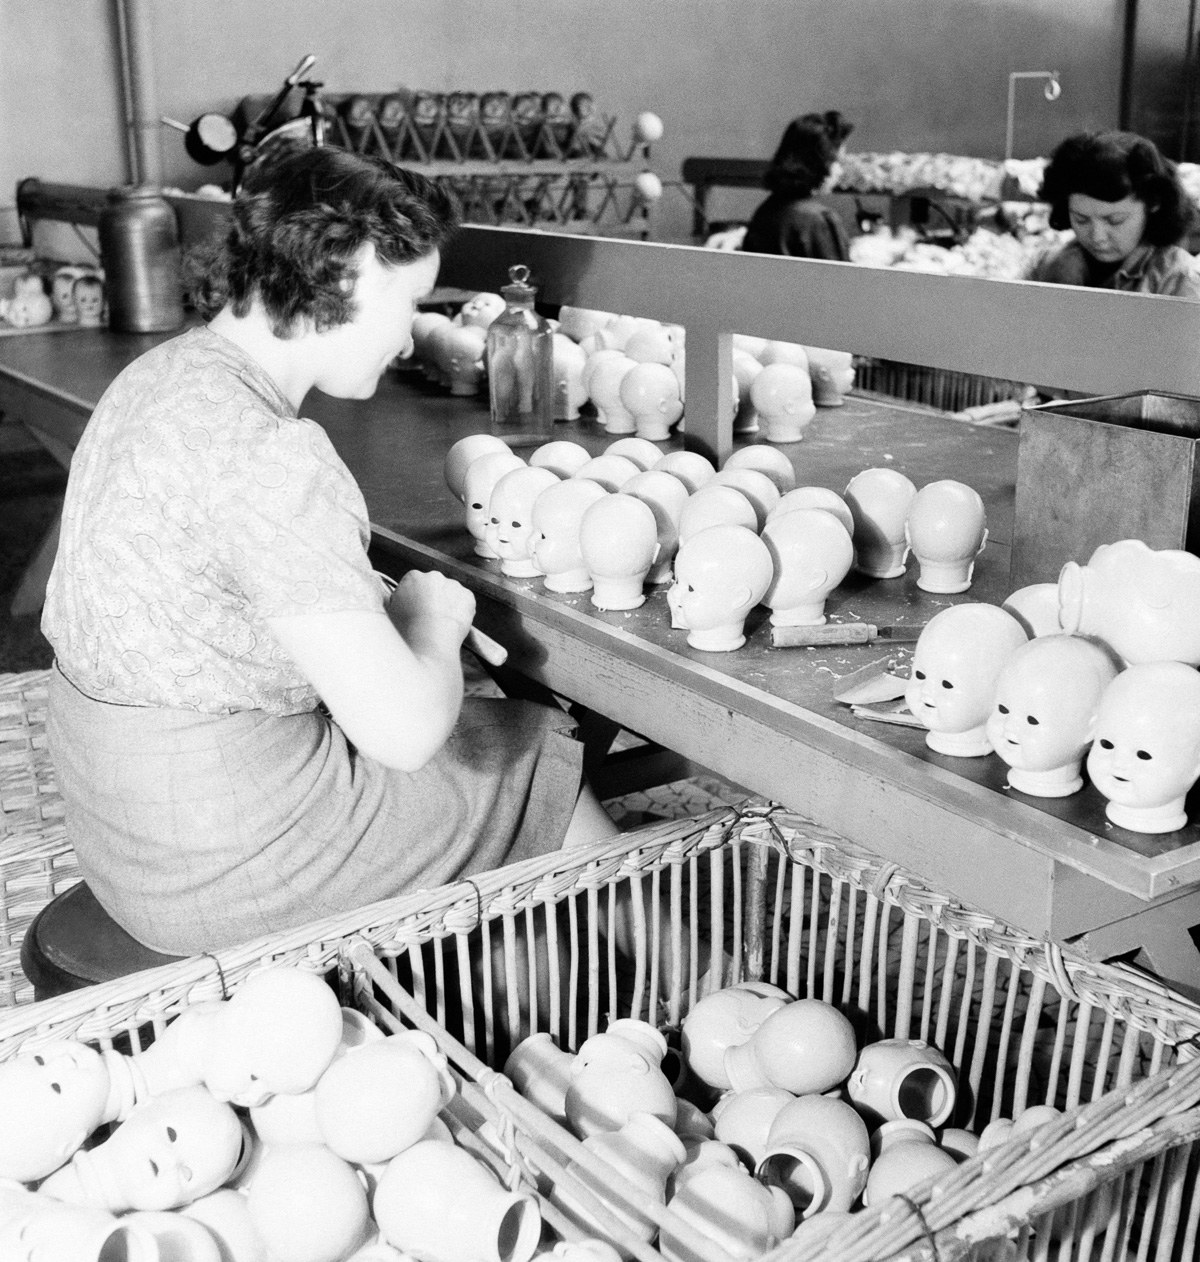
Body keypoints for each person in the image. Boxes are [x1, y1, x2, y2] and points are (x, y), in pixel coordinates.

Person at [40, 142, 619, 957]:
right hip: (219, 861)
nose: (410, 335)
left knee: (473, 738)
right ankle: (692, 985)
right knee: (521, 750)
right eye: (411, 300)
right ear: (353, 273)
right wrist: (432, 621)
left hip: (120, 835)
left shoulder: (158, 376)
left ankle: (522, 975)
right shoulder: (274, 452)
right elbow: (404, 733)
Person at [1026, 130, 1200, 298]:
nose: (1097, 237)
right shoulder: (1044, 265)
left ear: (1153, 203)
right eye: (1081, 220)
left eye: (1115, 221)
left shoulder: (1179, 278)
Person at [739, 110, 855, 261]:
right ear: (820, 164)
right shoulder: (819, 221)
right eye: (837, 162)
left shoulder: (765, 210)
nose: (840, 171)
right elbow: (841, 275)